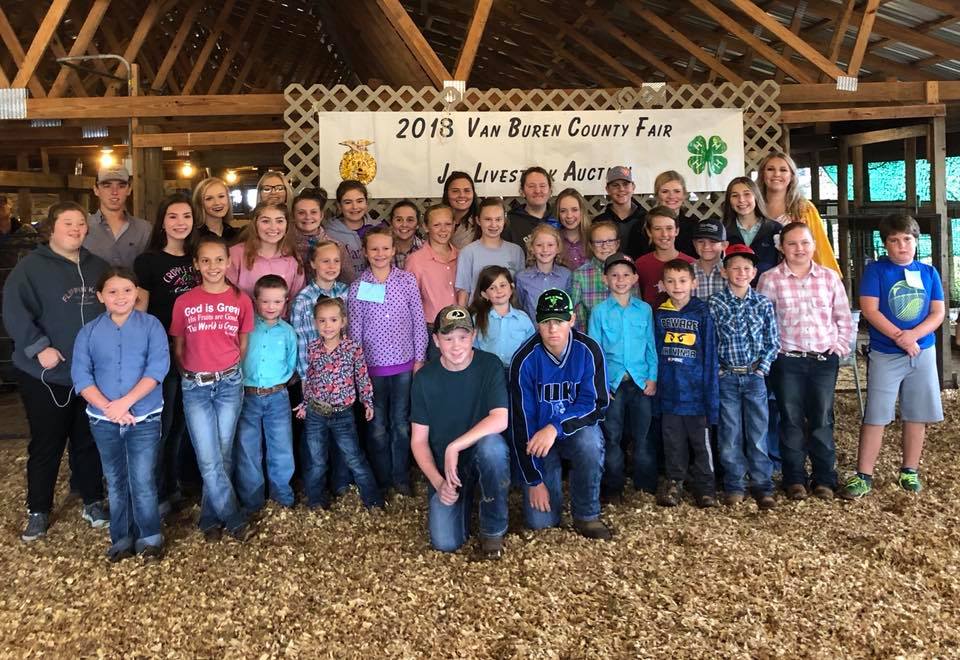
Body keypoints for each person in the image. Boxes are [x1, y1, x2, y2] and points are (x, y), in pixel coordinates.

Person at [4, 202, 109, 541]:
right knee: (47, 443)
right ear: (52, 228)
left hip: (89, 374)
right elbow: (14, 311)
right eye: (68, 223)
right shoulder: (31, 268)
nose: (76, 229)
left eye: (81, 223)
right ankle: (38, 509)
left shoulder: (98, 267)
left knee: (87, 440)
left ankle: (92, 501)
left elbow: (117, 304)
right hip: (46, 375)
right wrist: (38, 347)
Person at [841, 214, 944, 499]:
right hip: (887, 353)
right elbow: (870, 310)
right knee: (876, 413)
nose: (902, 246)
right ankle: (864, 474)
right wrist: (901, 336)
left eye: (907, 239)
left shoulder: (928, 272)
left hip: (922, 351)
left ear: (916, 240)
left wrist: (914, 337)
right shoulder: (876, 271)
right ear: (885, 244)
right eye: (894, 241)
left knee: (917, 413)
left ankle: (909, 470)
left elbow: (938, 312)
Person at [72, 267, 169, 561]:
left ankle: (150, 536)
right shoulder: (88, 332)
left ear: (137, 292)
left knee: (141, 478)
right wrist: (109, 408)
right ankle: (122, 537)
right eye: (112, 291)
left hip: (144, 416)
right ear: (100, 296)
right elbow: (81, 376)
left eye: (127, 290)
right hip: (104, 420)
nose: (120, 297)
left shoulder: (151, 326)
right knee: (115, 480)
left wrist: (125, 402)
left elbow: (157, 369)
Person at [758, 222, 854, 501]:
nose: (799, 249)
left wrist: (838, 348)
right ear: (781, 247)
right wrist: (774, 353)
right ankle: (794, 479)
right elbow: (765, 322)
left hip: (823, 359)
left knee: (822, 419)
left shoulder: (828, 278)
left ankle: (824, 479)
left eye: (804, 243)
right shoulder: (771, 279)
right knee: (790, 419)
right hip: (787, 360)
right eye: (792, 244)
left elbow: (843, 318)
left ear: (814, 246)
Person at [170, 235, 255, 541]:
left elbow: (243, 343)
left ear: (229, 261)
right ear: (196, 264)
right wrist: (191, 374)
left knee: (223, 453)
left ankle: (209, 518)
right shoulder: (185, 302)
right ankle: (233, 518)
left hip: (230, 383)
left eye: (219, 259)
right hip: (196, 386)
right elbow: (178, 347)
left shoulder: (241, 299)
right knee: (208, 457)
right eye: (205, 260)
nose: (213, 266)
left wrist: (227, 368)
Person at [510, 289, 611, 540]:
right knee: (541, 524)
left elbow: (596, 403)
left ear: (572, 319)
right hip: (538, 443)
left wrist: (556, 427)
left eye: (559, 320)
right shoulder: (524, 360)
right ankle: (546, 492)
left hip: (571, 432)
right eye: (546, 322)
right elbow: (521, 423)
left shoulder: (588, 350)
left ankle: (587, 514)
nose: (553, 328)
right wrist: (534, 480)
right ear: (537, 323)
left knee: (591, 441)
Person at [410, 305, 510, 558]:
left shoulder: (490, 365)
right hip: (448, 470)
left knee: (493, 448)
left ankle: (492, 530)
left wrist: (455, 446)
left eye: (463, 337)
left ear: (474, 336)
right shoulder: (424, 378)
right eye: (448, 338)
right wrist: (438, 481)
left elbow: (500, 419)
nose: (456, 346)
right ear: (435, 340)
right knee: (445, 542)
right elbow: (419, 440)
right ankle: (463, 501)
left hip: (479, 456)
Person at [347, 226, 428, 495]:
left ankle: (401, 476)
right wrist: (358, 369)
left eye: (385, 248)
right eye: (374, 249)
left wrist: (419, 358)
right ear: (366, 253)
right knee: (377, 424)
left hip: (404, 365)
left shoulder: (406, 281)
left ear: (394, 250)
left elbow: (418, 320)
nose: (380, 253)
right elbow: (355, 330)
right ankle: (382, 478)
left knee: (401, 423)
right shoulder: (359, 287)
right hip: (372, 369)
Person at [134, 193, 200, 515]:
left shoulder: (200, 257)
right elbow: (140, 309)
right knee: (165, 422)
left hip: (199, 351)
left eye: (186, 216)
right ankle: (157, 491)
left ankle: (177, 484)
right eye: (173, 216)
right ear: (162, 221)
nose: (180, 223)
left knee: (188, 424)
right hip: (163, 353)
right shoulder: (148, 261)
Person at [709, 245, 779, 510]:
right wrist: (719, 370)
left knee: (759, 432)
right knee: (729, 433)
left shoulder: (762, 302)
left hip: (755, 377)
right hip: (727, 377)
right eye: (735, 268)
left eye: (746, 268)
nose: (741, 272)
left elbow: (772, 341)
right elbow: (710, 342)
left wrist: (762, 369)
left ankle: (762, 485)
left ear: (755, 272)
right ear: (724, 272)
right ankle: (734, 484)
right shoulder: (715, 303)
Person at [298, 297, 383, 510]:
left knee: (354, 458)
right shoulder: (313, 348)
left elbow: (362, 376)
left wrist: (367, 401)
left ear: (343, 321)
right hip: (316, 413)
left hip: (343, 414)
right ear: (316, 323)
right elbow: (311, 379)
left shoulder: (352, 348)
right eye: (323, 321)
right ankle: (315, 501)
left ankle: (373, 500)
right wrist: (304, 403)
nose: (328, 326)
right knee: (316, 461)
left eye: (333, 320)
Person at [587, 253, 657, 502]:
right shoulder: (599, 312)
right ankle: (613, 487)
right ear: (605, 279)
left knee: (644, 436)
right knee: (612, 437)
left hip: (640, 382)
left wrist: (653, 377)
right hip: (613, 384)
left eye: (626, 275)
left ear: (635, 278)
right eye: (614, 275)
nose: (620, 280)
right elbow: (595, 351)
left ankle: (645, 487)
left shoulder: (644, 310)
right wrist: (601, 385)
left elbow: (651, 346)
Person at [654, 260, 719, 508]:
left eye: (682, 281)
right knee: (673, 442)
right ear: (662, 285)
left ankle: (705, 487)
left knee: (700, 444)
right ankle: (675, 482)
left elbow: (710, 356)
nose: (677, 286)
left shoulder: (703, 312)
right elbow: (657, 353)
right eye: (670, 281)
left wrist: (709, 397)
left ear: (694, 282)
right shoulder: (661, 312)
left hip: (696, 396)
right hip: (670, 394)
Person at [290, 240, 351, 497]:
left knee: (344, 430)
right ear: (313, 264)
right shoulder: (304, 299)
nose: (331, 266)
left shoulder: (346, 292)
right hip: (315, 379)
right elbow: (302, 341)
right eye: (325, 261)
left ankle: (341, 483)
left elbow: (351, 334)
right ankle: (315, 485)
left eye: (336, 261)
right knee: (314, 435)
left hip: (343, 379)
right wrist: (306, 377)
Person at [234, 275, 297, 512]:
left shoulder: (288, 332)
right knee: (248, 449)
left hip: (277, 396)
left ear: (285, 302)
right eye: (266, 302)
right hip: (248, 394)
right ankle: (252, 500)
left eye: (277, 302)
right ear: (255, 301)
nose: (271, 307)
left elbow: (292, 364)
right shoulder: (246, 329)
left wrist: (279, 383)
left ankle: (283, 496)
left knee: (281, 447)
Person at [758, 151, 842, 277]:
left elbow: (819, 245)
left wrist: (828, 280)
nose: (776, 174)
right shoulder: (753, 206)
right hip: (758, 277)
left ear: (791, 176)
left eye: (783, 170)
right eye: (770, 169)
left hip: (797, 278)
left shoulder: (804, 209)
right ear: (762, 174)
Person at [405, 204, 459, 361]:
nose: (443, 229)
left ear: (454, 225)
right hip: (431, 328)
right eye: (436, 225)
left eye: (448, 224)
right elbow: (409, 301)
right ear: (426, 227)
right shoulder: (416, 260)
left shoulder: (462, 256)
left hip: (460, 326)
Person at [226, 202, 305, 303]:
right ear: (255, 224)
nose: (273, 227)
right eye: (266, 221)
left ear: (287, 226)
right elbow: (226, 295)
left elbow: (296, 300)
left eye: (279, 221)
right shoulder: (235, 254)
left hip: (281, 318)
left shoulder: (293, 258)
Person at [454, 197, 525, 305]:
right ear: (478, 220)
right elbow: (463, 293)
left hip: (509, 318)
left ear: (504, 220)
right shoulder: (468, 252)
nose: (493, 225)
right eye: (488, 219)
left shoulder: (516, 251)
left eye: (498, 219)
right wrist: (463, 320)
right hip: (479, 317)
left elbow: (520, 290)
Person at [84, 165, 151, 268]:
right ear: (96, 190)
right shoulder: (82, 226)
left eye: (121, 186)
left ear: (129, 190)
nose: (114, 192)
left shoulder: (144, 229)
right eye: (107, 186)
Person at [470, 266, 535, 368]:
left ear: (512, 287)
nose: (499, 291)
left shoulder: (523, 319)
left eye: (503, 285)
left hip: (515, 372)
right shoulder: (477, 319)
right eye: (492, 288)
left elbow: (531, 349)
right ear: (484, 294)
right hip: (487, 372)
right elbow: (472, 349)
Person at [634, 206, 696, 308]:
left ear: (677, 231)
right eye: (658, 229)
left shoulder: (691, 263)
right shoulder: (640, 264)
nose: (664, 234)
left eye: (669, 228)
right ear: (649, 232)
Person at [722, 176, 781, 282]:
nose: (741, 200)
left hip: (768, 293)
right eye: (735, 196)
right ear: (729, 201)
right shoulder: (722, 231)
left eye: (747, 194)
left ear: (756, 197)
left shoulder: (775, 229)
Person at [627, 171, 697, 259]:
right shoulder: (640, 227)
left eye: (677, 191)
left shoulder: (694, 227)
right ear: (657, 195)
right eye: (665, 191)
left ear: (684, 194)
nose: (671, 196)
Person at [291, 188, 355, 284]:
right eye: (301, 213)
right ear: (293, 216)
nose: (308, 217)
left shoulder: (336, 246)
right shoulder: (286, 245)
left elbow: (349, 280)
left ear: (321, 215)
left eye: (313, 212)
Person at [570, 220, 623, 332]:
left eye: (610, 241)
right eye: (598, 242)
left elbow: (636, 308)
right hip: (593, 339)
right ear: (591, 246)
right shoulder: (580, 275)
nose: (604, 246)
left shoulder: (628, 271)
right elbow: (577, 316)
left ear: (617, 243)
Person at [515, 224, 571, 323]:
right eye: (539, 245)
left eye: (550, 245)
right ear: (531, 248)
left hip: (558, 333)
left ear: (558, 248)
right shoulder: (521, 277)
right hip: (532, 333)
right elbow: (520, 308)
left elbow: (570, 307)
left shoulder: (566, 275)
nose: (545, 250)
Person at [324, 180, 380, 277]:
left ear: (366, 203)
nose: (355, 207)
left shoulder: (378, 229)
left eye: (359, 201)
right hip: (342, 290)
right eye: (348, 202)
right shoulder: (328, 234)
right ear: (339, 206)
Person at [591, 166, 645, 254]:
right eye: (615, 185)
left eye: (625, 184)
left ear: (633, 187)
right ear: (607, 189)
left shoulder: (646, 219)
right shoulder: (599, 221)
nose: (621, 189)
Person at [503, 166, 558, 248]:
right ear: (522, 191)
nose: (537, 191)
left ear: (550, 190)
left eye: (542, 186)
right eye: (531, 186)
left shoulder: (559, 217)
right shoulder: (510, 222)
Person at [193, 177, 241, 244]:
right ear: (200, 203)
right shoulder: (193, 236)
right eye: (209, 198)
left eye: (221, 196)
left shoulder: (238, 235)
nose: (217, 203)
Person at [691, 219, 728, 300]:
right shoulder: (686, 272)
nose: (706, 246)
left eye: (713, 241)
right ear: (694, 244)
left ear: (724, 245)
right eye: (701, 241)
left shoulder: (731, 272)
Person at [443, 171, 480, 249]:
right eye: (455, 191)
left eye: (467, 190)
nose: (462, 195)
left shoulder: (482, 223)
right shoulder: (436, 221)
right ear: (446, 194)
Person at [555, 187, 591, 269]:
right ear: (558, 213)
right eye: (563, 211)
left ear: (582, 211)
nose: (569, 216)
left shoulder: (592, 237)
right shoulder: (553, 240)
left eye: (574, 210)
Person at [388, 200, 424, 269]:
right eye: (399, 220)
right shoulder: (382, 250)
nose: (404, 225)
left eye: (410, 220)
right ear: (391, 223)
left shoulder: (426, 249)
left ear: (417, 224)